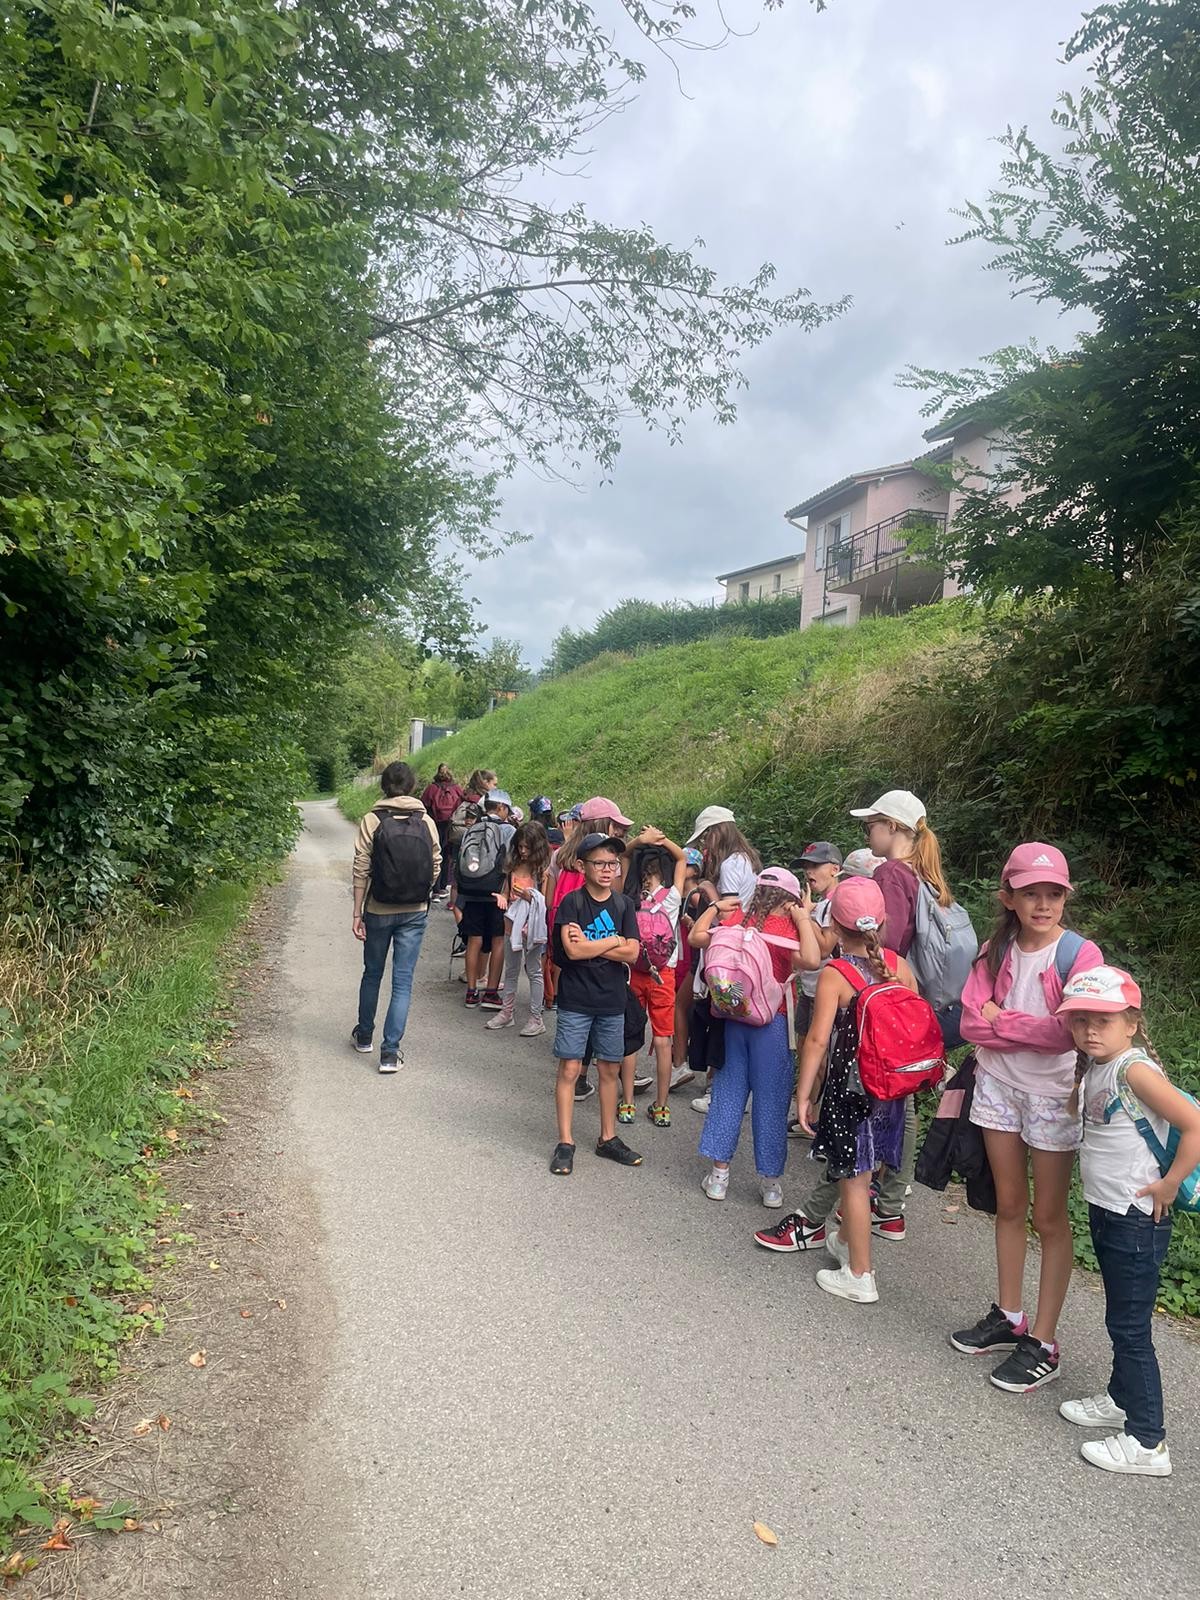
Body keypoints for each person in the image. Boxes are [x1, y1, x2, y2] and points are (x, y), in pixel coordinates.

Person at [951, 843, 1103, 1393]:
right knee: (1010, 1204)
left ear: (1065, 897)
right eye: (1031, 893)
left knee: (1049, 1216)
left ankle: (1045, 1340)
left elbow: (1069, 1032)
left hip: (1054, 1096)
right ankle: (1010, 1315)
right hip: (998, 1086)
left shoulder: (1080, 956)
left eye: (1054, 894)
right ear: (1008, 898)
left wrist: (1003, 1020)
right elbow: (969, 1023)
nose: (1043, 904)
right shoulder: (995, 950)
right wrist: (1011, 1026)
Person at [1056, 965, 1200, 1477]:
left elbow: (1194, 1123)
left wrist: (1169, 1183)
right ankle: (1121, 1399)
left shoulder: (1134, 1070)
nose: (1090, 1030)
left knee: (1130, 1326)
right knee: (1122, 1317)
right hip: (1109, 1210)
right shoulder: (1099, 1065)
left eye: (1104, 1020)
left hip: (1137, 1218)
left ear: (1132, 1024)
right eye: (1080, 1020)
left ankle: (1148, 1440)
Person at [792, 876, 920, 1303]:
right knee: (869, 1168)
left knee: (853, 1178)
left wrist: (804, 1095)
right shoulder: (899, 965)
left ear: (834, 927)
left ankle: (860, 1274)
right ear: (882, 923)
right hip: (893, 1089)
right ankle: (847, 1242)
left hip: (852, 1089)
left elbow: (816, 1041)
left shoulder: (837, 973)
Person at [845, 788, 965, 1240]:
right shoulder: (927, 875)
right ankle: (890, 1201)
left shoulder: (893, 872)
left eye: (872, 825)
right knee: (903, 1096)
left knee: (887, 1093)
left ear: (893, 827)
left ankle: (878, 1195)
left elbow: (885, 944)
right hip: (923, 999)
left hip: (891, 997)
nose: (868, 833)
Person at [690, 868, 815, 1207]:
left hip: (734, 1017)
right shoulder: (788, 929)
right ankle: (771, 1183)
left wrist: (715, 907)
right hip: (773, 1023)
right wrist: (804, 917)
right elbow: (811, 959)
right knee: (772, 1101)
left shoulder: (738, 920)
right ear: (790, 900)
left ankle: (719, 1177)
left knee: (728, 1094)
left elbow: (697, 938)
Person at [549, 833, 644, 1175]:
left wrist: (596, 945)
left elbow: (633, 953)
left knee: (609, 1069)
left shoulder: (624, 905)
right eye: (599, 863)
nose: (607, 869)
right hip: (576, 998)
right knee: (570, 1069)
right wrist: (615, 941)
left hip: (612, 999)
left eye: (612, 864)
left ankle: (608, 1137)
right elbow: (572, 951)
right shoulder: (572, 903)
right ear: (581, 866)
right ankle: (565, 1141)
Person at [350, 761, 441, 1072]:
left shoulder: (372, 820)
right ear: (412, 786)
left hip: (378, 908)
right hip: (415, 911)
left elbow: (361, 868)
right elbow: (436, 864)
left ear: (383, 786)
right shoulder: (425, 821)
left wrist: (357, 912)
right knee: (402, 981)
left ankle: (364, 1036)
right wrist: (419, 890)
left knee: (372, 973)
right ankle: (390, 1053)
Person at [618, 828, 687, 1128]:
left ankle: (627, 1103)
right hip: (664, 974)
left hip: (634, 970)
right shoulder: (672, 898)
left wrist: (639, 842)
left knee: (631, 1035)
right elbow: (682, 858)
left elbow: (622, 854)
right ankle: (661, 1107)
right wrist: (662, 839)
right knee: (662, 1039)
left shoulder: (629, 896)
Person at [485, 821, 552, 1036]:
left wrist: (529, 896)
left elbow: (546, 902)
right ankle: (507, 1012)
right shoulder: (513, 866)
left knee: (534, 971)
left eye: (527, 847)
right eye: (520, 846)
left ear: (537, 847)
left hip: (532, 926)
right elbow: (506, 892)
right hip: (511, 923)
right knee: (511, 970)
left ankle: (536, 1017)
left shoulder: (542, 871)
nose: (523, 851)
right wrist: (502, 898)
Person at [453, 789, 515, 1009]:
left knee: (474, 940)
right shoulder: (508, 830)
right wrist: (508, 893)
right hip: (496, 894)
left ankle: (471, 992)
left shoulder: (473, 828)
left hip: (471, 892)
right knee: (497, 941)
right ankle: (491, 992)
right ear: (501, 807)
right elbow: (511, 863)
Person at [668, 847, 705, 1088]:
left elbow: (706, 925)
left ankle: (679, 1063)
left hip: (692, 958)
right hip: (685, 957)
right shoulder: (682, 892)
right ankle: (679, 1060)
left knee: (680, 1007)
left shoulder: (694, 895)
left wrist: (692, 923)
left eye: (684, 864)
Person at [686, 805, 761, 910]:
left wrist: (709, 889)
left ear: (716, 832)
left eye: (705, 838)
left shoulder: (730, 865)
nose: (705, 844)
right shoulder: (745, 857)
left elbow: (729, 914)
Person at [420, 764, 463, 898]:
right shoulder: (456, 788)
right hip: (451, 826)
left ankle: (435, 889)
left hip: (435, 825)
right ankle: (444, 887)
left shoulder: (431, 788)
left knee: (435, 854)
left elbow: (423, 805)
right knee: (447, 856)